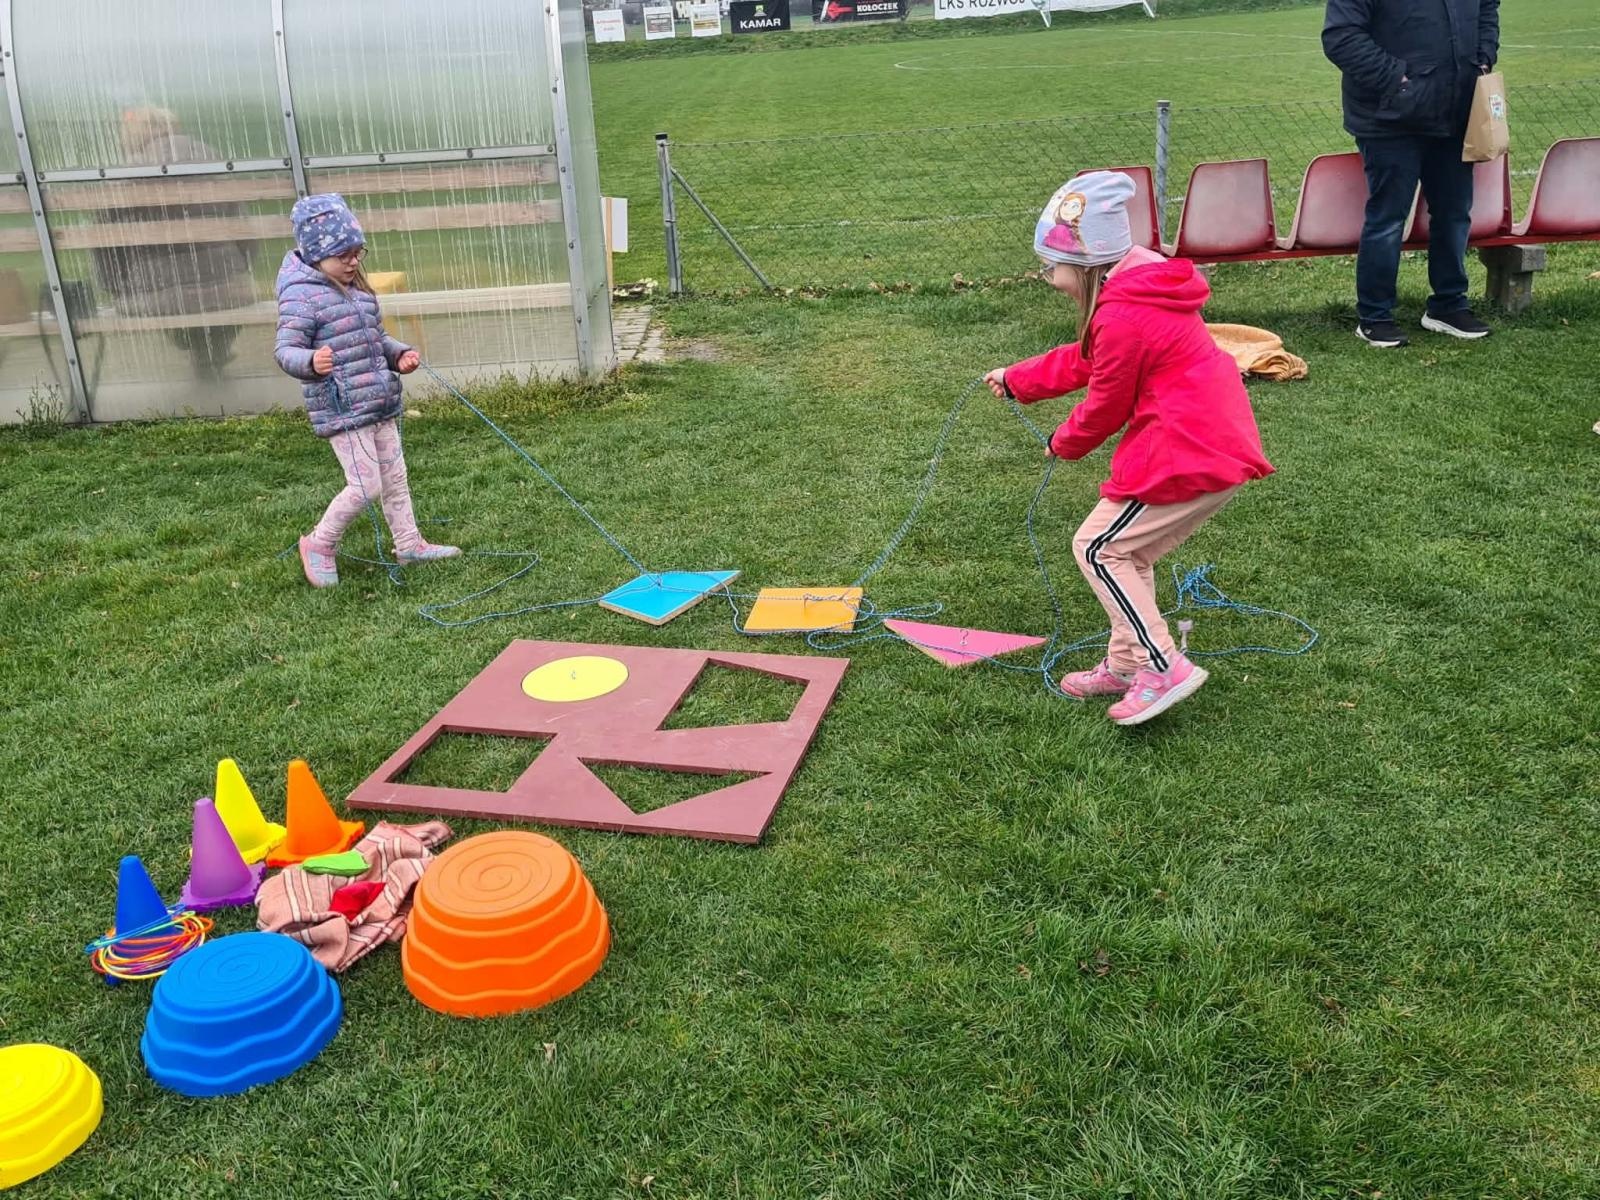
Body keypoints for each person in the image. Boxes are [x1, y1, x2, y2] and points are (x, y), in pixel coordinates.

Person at [984, 171, 1274, 727]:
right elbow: (1088, 359)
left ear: (1088, 266)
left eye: (1052, 268)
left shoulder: (1123, 313)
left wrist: (1062, 442)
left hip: (1188, 449)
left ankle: (1163, 666)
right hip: (1205, 440)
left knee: (1099, 549)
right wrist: (1019, 378)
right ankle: (1124, 666)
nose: (1050, 278)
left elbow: (1106, 404)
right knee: (1125, 553)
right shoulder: (1136, 287)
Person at [274, 194, 458, 588]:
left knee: (395, 478)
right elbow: (285, 349)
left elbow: (376, 339)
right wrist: (310, 362)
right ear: (318, 254)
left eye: (357, 252)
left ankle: (409, 543)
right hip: (342, 409)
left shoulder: (357, 290)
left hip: (378, 402)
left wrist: (399, 355)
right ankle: (319, 544)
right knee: (366, 485)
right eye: (344, 255)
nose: (353, 261)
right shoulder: (301, 296)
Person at [1323, 0, 1500, 348]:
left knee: (1453, 213)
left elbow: (1487, 9)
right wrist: (1397, 79)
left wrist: (1483, 57)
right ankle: (1375, 316)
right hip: (1387, 118)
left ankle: (1448, 306)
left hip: (1455, 109)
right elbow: (1340, 36)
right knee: (1387, 218)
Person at [91, 107, 257, 380]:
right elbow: (244, 229)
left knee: (165, 297)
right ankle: (212, 349)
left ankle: (197, 348)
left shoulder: (124, 174)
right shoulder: (211, 158)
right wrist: (242, 269)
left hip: (156, 296)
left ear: (131, 137)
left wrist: (115, 287)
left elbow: (104, 244)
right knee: (219, 293)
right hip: (229, 287)